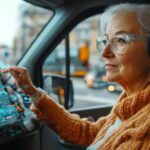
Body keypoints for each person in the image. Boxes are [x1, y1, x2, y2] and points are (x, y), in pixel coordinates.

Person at [1, 3, 150, 150]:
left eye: (120, 40)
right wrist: (33, 92)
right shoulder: (128, 103)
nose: (104, 52)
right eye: (105, 41)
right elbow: (90, 133)